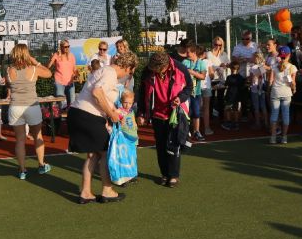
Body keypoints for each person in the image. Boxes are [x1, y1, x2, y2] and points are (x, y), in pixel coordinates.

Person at [69, 51, 138, 202]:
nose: (128, 75)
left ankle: (86, 193)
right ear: (127, 67)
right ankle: (107, 190)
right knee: (106, 152)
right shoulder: (110, 73)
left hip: (79, 113)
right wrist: (111, 114)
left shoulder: (104, 71)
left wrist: (114, 112)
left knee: (94, 154)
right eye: (130, 72)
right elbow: (97, 92)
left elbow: (102, 97)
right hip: (88, 116)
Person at [138, 51, 193, 188]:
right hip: (157, 115)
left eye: (157, 69)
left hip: (174, 114)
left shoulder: (180, 68)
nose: (154, 71)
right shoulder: (148, 71)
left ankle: (173, 175)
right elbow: (142, 92)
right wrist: (141, 112)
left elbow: (189, 87)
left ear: (165, 65)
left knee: (173, 145)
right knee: (160, 146)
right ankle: (164, 174)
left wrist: (180, 98)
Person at [6, 44, 53, 180]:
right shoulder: (33, 69)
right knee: (38, 136)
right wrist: (35, 61)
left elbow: (9, 84)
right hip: (31, 107)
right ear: (26, 54)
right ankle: (41, 165)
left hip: (15, 107)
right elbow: (49, 73)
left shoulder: (9, 70)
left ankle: (22, 170)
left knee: (20, 140)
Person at [268, 46, 297, 144]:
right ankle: (284, 137)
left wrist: (268, 90)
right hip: (286, 93)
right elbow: (292, 83)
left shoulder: (274, 66)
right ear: (289, 55)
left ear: (279, 56)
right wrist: (294, 87)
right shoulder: (292, 67)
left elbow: (270, 81)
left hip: (275, 92)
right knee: (286, 115)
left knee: (274, 114)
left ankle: (273, 137)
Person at [182, 42, 207, 141]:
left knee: (196, 113)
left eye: (188, 52)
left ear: (194, 52)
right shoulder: (185, 62)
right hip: (186, 93)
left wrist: (192, 72)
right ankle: (186, 132)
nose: (186, 54)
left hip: (196, 93)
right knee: (187, 113)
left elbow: (203, 76)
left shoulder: (201, 63)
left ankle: (196, 131)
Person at [47, 39, 77, 109]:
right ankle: (61, 115)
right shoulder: (56, 55)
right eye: (65, 47)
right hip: (59, 82)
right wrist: (51, 58)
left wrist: (76, 74)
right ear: (61, 47)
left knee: (72, 104)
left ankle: (70, 116)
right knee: (62, 104)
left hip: (70, 82)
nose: (67, 48)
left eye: (68, 46)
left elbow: (74, 68)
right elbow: (48, 66)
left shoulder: (72, 56)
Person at [207, 37, 229, 120]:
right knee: (211, 99)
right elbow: (209, 65)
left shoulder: (224, 54)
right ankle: (210, 117)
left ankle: (221, 118)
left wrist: (225, 65)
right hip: (211, 79)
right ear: (213, 44)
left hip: (221, 79)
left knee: (221, 99)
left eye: (220, 45)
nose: (218, 46)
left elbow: (228, 64)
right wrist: (219, 66)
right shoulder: (209, 54)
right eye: (216, 44)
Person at [195, 45, 215, 136]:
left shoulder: (194, 61)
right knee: (206, 108)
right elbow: (212, 74)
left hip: (197, 87)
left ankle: (195, 129)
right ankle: (207, 128)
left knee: (196, 108)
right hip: (205, 87)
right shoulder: (207, 61)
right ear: (203, 54)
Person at [248, 52, 268, 131]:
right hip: (262, 88)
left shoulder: (253, 67)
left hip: (255, 89)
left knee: (256, 106)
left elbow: (251, 79)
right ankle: (266, 122)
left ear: (255, 58)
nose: (251, 58)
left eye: (252, 57)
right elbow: (263, 77)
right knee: (263, 106)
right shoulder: (262, 66)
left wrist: (250, 81)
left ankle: (258, 123)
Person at [222, 61, 244, 131]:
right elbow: (242, 85)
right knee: (235, 109)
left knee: (228, 109)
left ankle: (228, 123)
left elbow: (225, 85)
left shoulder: (229, 77)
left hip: (230, 95)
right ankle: (236, 123)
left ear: (231, 68)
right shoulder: (241, 77)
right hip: (237, 95)